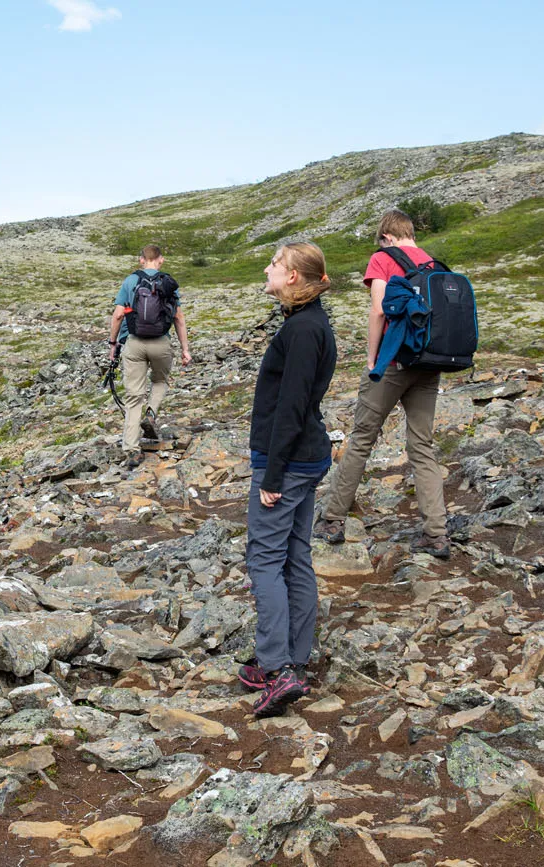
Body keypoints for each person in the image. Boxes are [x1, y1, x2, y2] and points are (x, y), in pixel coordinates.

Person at [313, 210, 450, 558]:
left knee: (361, 438)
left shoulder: (383, 258)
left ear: (386, 237)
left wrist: (373, 359)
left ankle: (332, 519)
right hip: (429, 363)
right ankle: (436, 534)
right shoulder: (434, 264)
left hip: (393, 361)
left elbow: (378, 311)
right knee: (422, 445)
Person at [240, 242, 337, 718]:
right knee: (295, 556)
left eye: (275, 265)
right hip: (307, 458)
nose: (268, 269)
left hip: (289, 462)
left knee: (264, 560)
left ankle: (276, 669)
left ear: (294, 277)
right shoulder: (312, 323)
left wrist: (272, 473)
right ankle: (294, 661)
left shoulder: (302, 330)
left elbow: (293, 405)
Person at [107, 244, 191, 468]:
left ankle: (132, 449)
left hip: (134, 343)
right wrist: (185, 349)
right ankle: (152, 413)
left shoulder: (130, 281)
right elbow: (179, 318)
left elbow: (117, 316)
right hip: (161, 343)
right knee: (161, 381)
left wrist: (113, 344)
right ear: (161, 260)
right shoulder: (169, 283)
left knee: (134, 397)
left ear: (141, 259)